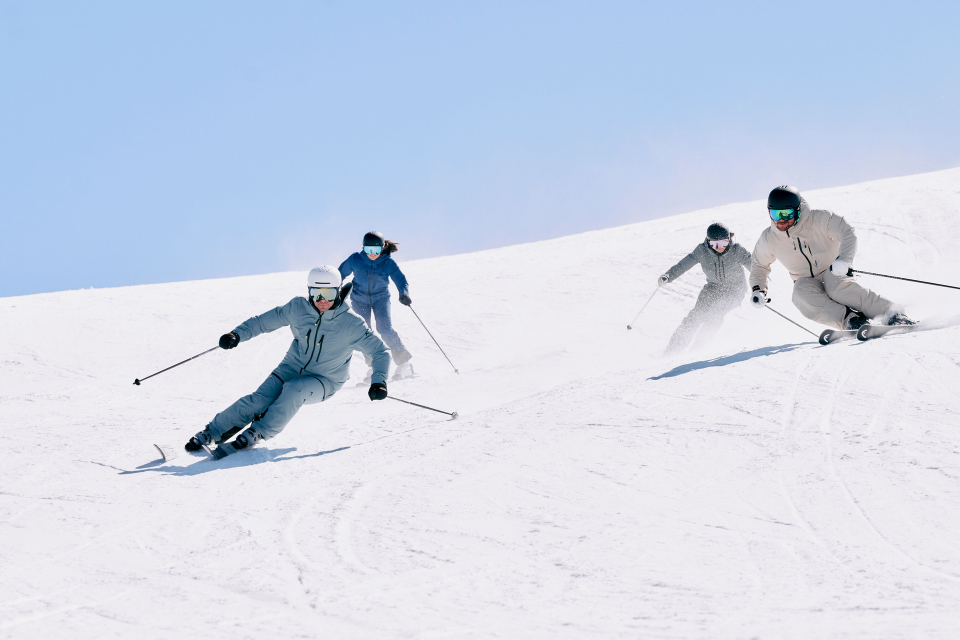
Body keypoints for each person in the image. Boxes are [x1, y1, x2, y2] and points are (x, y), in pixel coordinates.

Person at [184, 265, 390, 459]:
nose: (322, 301)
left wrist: (379, 381)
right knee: (257, 400)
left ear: (338, 292)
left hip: (325, 380)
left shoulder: (351, 324)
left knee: (294, 390)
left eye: (328, 294)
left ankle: (258, 432)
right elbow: (263, 322)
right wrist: (237, 334)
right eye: (316, 294)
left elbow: (380, 351)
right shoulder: (297, 308)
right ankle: (211, 432)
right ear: (309, 291)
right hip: (290, 368)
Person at [749, 185, 913, 330]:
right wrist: (758, 290)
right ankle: (851, 320)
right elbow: (759, 265)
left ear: (798, 210)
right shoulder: (769, 238)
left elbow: (846, 231)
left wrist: (844, 259)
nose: (781, 220)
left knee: (837, 288)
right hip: (805, 279)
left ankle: (892, 313)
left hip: (833, 268)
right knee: (800, 295)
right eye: (776, 214)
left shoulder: (819, 219)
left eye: (786, 214)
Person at [659, 222, 753, 353]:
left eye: (723, 243)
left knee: (715, 315)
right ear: (708, 242)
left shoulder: (736, 250)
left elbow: (755, 267)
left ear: (729, 239)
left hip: (735, 290)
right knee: (695, 316)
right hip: (713, 287)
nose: (719, 248)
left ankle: (698, 349)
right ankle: (672, 351)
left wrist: (759, 287)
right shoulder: (702, 251)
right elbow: (684, 265)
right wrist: (668, 276)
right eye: (715, 244)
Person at [338, 231, 415, 381]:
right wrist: (333, 288)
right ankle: (374, 367)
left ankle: (404, 364)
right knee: (365, 333)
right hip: (359, 299)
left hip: (381, 299)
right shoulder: (355, 259)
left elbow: (401, 280)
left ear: (382, 248)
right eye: (368, 250)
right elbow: (340, 273)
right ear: (363, 248)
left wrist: (404, 293)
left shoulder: (387, 262)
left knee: (384, 329)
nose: (372, 254)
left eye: (376, 250)